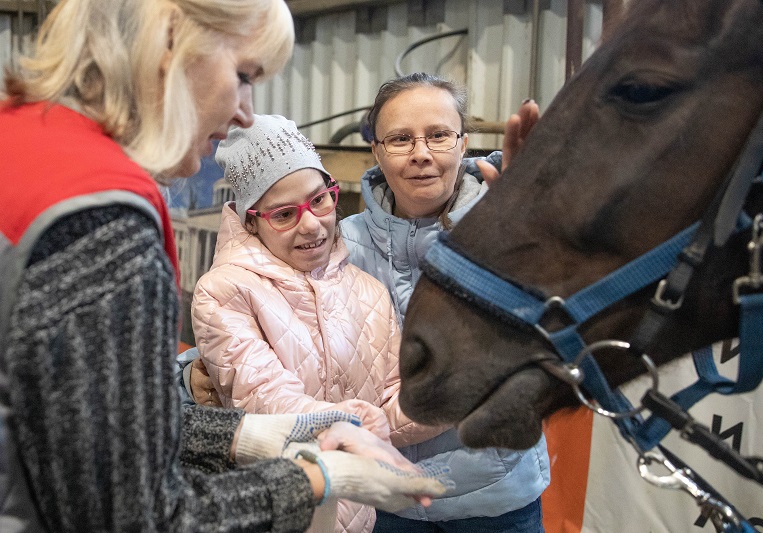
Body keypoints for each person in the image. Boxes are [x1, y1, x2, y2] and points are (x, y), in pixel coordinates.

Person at [0, 2, 450, 531]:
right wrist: (316, 477)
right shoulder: (100, 216)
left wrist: (253, 436)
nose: (243, 111)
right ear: (167, 42)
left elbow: (85, 426)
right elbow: (137, 516)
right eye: (242, 76)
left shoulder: (21, 146)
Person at [191, 113, 447, 532]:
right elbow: (269, 403)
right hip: (272, 514)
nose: (312, 223)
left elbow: (393, 400)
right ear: (251, 221)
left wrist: (457, 397)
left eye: (320, 200)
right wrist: (362, 428)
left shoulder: (367, 290)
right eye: (284, 214)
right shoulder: (223, 292)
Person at [338, 72, 549, 533]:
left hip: (497, 502)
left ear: (464, 143)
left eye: (438, 135)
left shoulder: (509, 225)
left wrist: (533, 229)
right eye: (399, 139)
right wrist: (194, 371)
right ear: (375, 150)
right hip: (382, 502)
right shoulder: (338, 245)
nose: (421, 154)